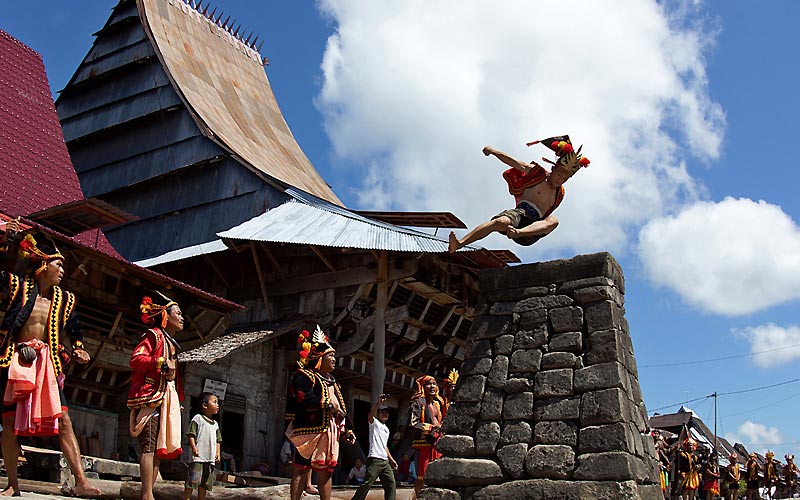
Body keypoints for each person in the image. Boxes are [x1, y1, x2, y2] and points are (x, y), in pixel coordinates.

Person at [0, 233, 101, 497]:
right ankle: (13, 483)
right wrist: (5, 242)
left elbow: (75, 328)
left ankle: (81, 481)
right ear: (44, 265)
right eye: (60, 265)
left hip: (47, 363)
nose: (63, 271)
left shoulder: (65, 299)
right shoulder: (17, 286)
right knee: (9, 424)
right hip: (14, 359)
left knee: (65, 420)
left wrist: (79, 349)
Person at [448, 136, 590, 253]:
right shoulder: (538, 173)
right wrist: (492, 151)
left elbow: (547, 221)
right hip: (520, 213)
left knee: (554, 220)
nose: (561, 180)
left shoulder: (560, 193)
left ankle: (519, 233)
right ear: (553, 168)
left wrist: (522, 231)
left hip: (532, 229)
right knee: (498, 222)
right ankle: (459, 244)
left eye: (565, 178)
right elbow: (513, 161)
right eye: (559, 175)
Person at [285, 326, 356, 500]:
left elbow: (342, 409)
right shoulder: (305, 376)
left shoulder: (334, 382)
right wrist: (327, 404)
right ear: (319, 358)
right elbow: (302, 397)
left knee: (326, 471)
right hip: (309, 429)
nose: (334, 359)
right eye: (330, 356)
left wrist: (348, 430)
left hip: (329, 432)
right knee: (301, 468)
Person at [128, 293, 185, 500]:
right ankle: (146, 495)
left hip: (166, 400)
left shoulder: (171, 343)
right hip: (151, 397)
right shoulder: (153, 336)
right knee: (149, 448)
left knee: (159, 450)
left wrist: (177, 401)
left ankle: (149, 492)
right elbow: (136, 359)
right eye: (178, 313)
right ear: (165, 316)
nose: (182, 317)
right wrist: (160, 362)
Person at [409, 370, 457, 498]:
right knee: (422, 476)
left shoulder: (438, 403)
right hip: (424, 443)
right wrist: (431, 428)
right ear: (423, 387)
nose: (432, 386)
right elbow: (414, 423)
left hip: (437, 442)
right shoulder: (418, 402)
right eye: (428, 384)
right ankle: (418, 497)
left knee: (437, 474)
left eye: (434, 384)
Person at [351, 394, 397, 500]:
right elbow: (370, 416)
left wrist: (391, 459)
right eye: (382, 412)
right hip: (375, 459)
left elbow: (385, 446)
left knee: (391, 484)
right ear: (378, 413)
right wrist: (378, 403)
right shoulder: (374, 423)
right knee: (367, 484)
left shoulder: (386, 429)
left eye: (386, 413)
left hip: (385, 461)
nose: (385, 414)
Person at [182, 392, 221, 500]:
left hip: (210, 459)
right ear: (204, 405)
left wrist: (217, 452)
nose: (217, 405)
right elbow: (191, 434)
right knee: (192, 482)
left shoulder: (215, 424)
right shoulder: (197, 419)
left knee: (204, 484)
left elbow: (218, 440)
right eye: (214, 402)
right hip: (198, 458)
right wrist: (194, 448)